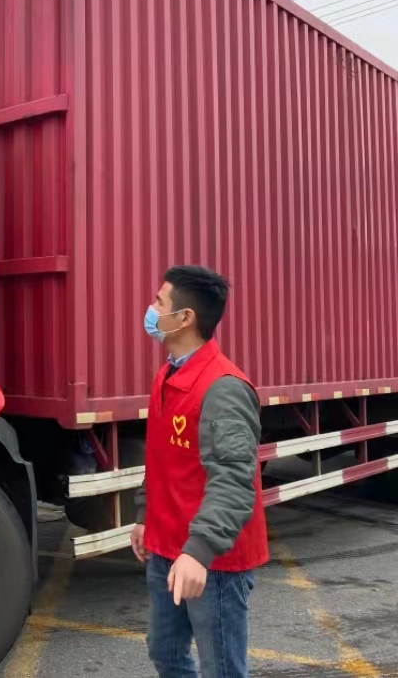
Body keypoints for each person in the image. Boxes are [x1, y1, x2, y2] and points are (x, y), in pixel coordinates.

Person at [130, 266, 268, 678]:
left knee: (222, 669)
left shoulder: (223, 388)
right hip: (166, 545)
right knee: (165, 653)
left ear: (185, 317)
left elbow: (233, 482)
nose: (151, 310)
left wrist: (199, 551)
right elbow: (162, 457)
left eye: (159, 302)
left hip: (212, 561)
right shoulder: (168, 373)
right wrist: (144, 515)